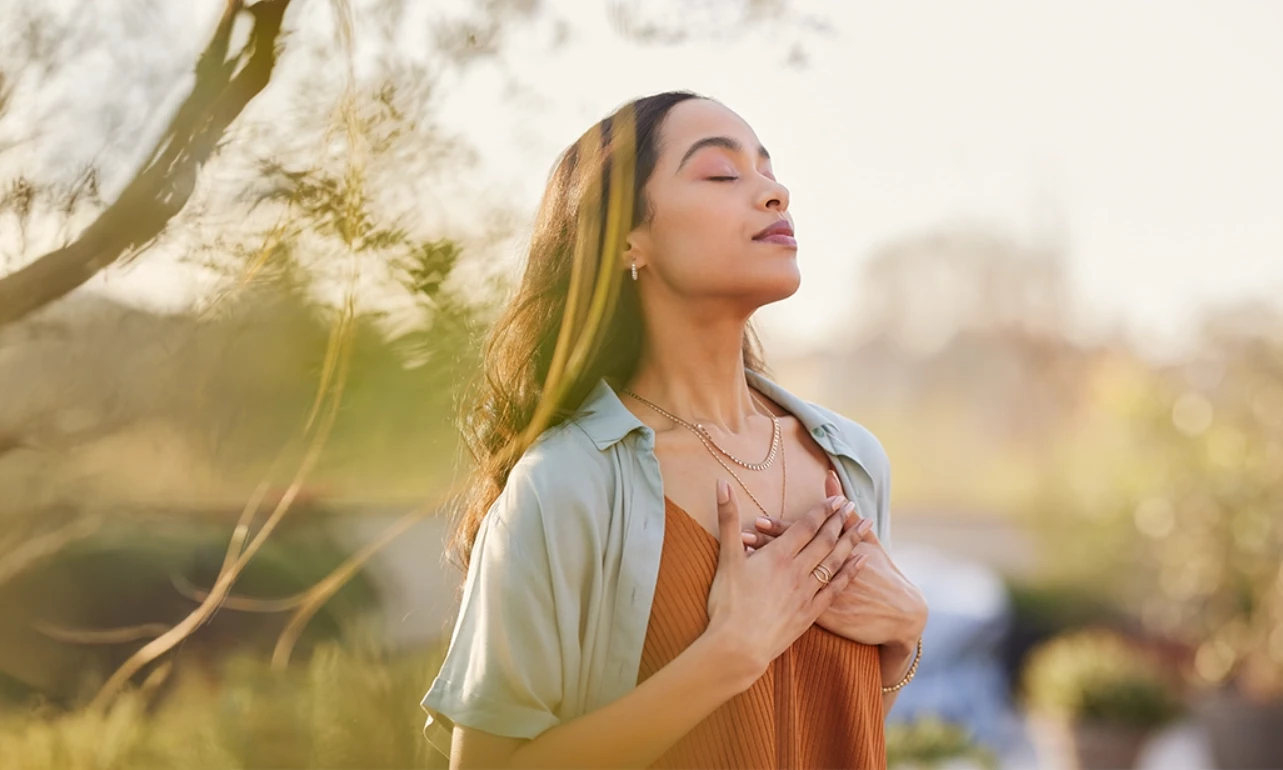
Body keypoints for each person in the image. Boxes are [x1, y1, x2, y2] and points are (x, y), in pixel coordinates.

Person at [421, 90, 928, 769]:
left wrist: (902, 639)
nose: (774, 193)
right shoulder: (565, 484)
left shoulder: (853, 460)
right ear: (628, 240)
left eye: (768, 171)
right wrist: (728, 655)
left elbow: (827, 726)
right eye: (722, 173)